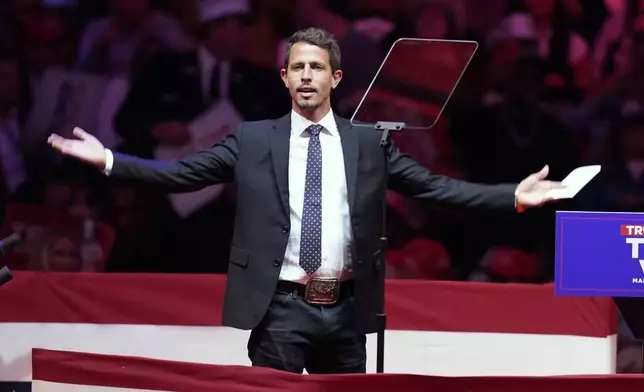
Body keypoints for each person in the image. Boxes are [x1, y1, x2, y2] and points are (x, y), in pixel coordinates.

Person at [48, 27, 562, 374]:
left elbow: (435, 187)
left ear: (335, 78)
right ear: (285, 78)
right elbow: (181, 175)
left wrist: (513, 195)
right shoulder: (253, 140)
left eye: (317, 67)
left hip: (345, 312)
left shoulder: (367, 143)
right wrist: (109, 160)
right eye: (297, 67)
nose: (307, 76)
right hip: (281, 310)